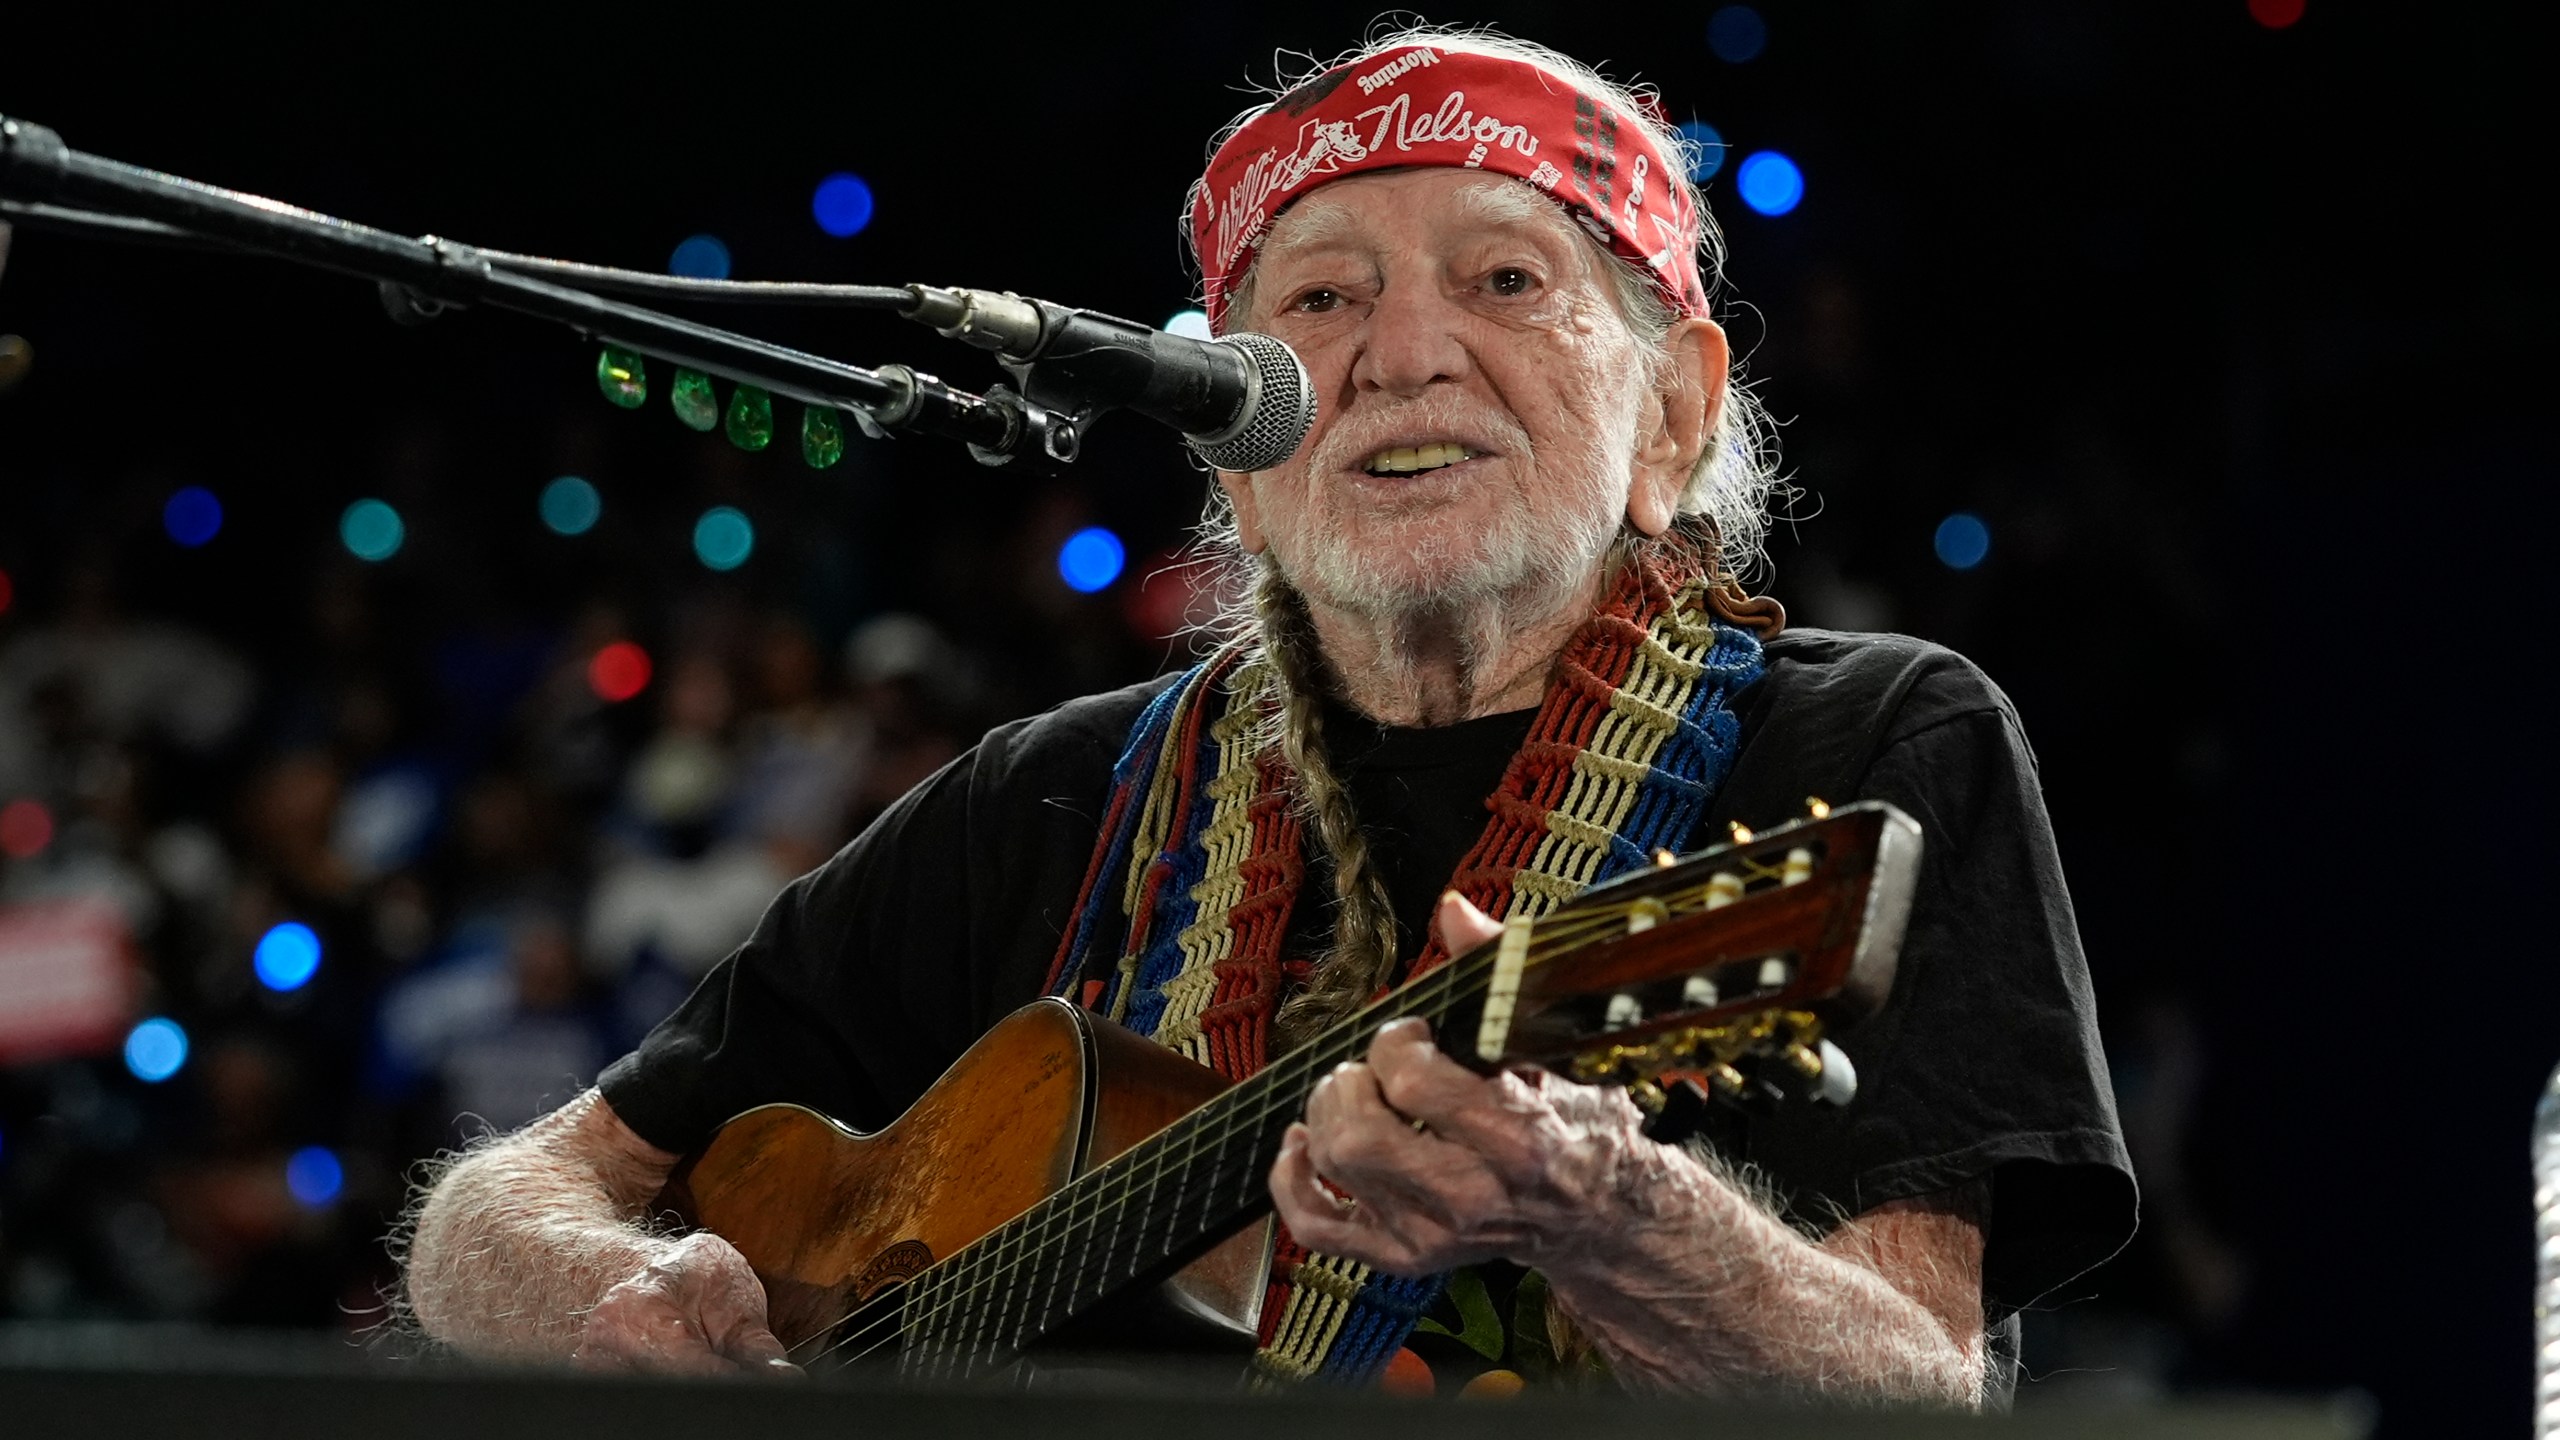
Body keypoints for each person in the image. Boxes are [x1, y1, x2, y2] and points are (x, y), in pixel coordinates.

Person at [400, 28, 2134, 1406]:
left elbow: (1920, 1396)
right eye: (1316, 301)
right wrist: (611, 1293)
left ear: (1674, 415)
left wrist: (1614, 1214)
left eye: (1507, 281)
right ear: (1235, 449)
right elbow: (491, 1213)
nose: (1398, 355)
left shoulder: (1879, 742)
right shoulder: (1053, 795)